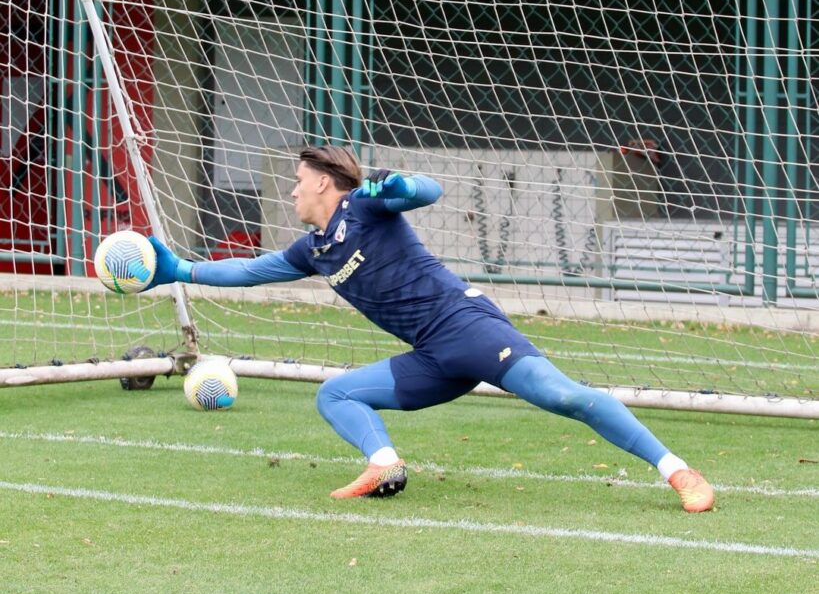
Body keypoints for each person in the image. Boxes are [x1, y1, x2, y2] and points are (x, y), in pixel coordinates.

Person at [147, 144, 715, 512]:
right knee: (336, 394)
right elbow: (250, 271)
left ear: (324, 183)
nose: (292, 190)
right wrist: (181, 271)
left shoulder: (365, 208)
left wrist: (394, 183)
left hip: (468, 328)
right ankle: (384, 465)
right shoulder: (313, 248)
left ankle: (680, 473)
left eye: (299, 180)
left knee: (564, 396)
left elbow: (428, 191)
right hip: (432, 356)